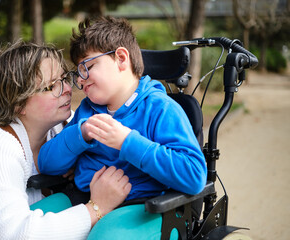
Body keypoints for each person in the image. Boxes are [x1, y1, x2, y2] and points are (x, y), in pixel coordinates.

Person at [0, 40, 131, 239]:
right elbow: (6, 236)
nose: (69, 89)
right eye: (53, 85)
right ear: (18, 103)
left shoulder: (65, 126)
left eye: (65, 78)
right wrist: (96, 208)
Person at [38, 16, 207, 206]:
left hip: (138, 206)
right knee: (33, 222)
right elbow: (46, 164)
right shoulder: (87, 111)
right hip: (83, 198)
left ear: (121, 58)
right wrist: (81, 135)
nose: (79, 80)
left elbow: (194, 176)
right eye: (78, 72)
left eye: (87, 66)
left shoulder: (160, 109)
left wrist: (126, 141)